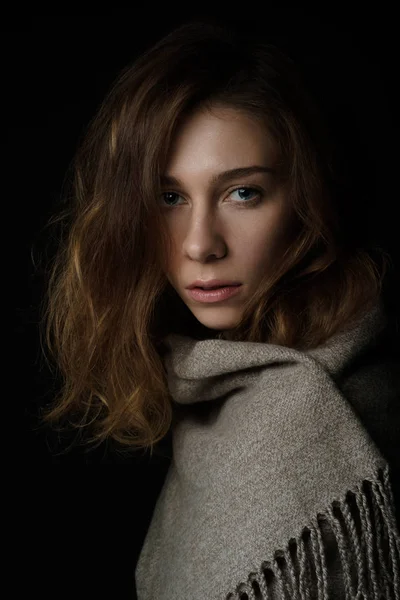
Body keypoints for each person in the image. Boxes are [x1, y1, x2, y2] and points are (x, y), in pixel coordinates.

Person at [40, 18, 400, 600]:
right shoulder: (210, 390)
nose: (200, 244)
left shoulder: (317, 415)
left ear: (304, 203)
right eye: (169, 198)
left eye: (243, 193)